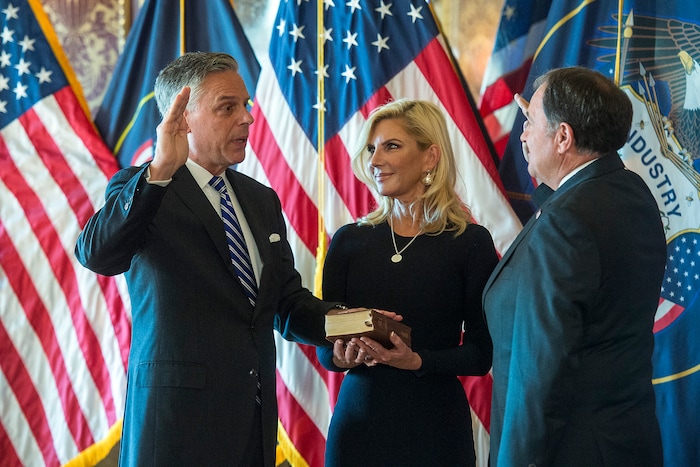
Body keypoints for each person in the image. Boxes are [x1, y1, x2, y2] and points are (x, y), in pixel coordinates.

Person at [75, 52, 350, 466]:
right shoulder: (145, 187)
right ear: (182, 118)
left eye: (246, 106)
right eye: (228, 107)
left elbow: (285, 304)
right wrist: (161, 170)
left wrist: (352, 326)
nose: (247, 119)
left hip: (252, 428)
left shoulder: (260, 200)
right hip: (174, 429)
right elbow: (97, 254)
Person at [483, 66, 666, 466]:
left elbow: (540, 373)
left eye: (530, 122)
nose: (523, 135)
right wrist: (539, 130)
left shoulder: (566, 222)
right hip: (622, 442)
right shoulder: (629, 191)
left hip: (568, 450)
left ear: (563, 137)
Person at [316, 99, 499, 466]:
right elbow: (325, 342)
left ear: (430, 157)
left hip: (435, 430)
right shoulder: (348, 240)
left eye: (391, 146)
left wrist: (417, 361)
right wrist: (339, 355)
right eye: (372, 148)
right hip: (359, 426)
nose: (375, 160)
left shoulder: (471, 243)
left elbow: (481, 355)